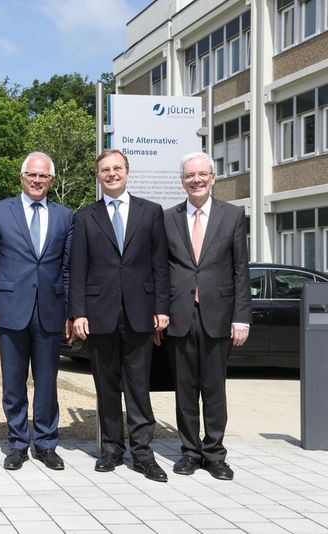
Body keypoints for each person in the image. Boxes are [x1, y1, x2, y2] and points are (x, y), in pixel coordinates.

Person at [69, 149, 170, 482]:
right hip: (99, 316)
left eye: (117, 168)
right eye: (105, 170)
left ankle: (142, 453)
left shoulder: (151, 212)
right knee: (107, 386)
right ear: (98, 176)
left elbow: (159, 264)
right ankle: (111, 449)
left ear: (127, 172)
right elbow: (78, 269)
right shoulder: (85, 217)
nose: (111, 174)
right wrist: (78, 312)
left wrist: (161, 308)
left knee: (138, 387)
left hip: (140, 314)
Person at [0, 152, 73, 471]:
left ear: (52, 181)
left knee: (47, 382)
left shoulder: (64, 216)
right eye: (32, 174)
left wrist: (71, 313)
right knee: (14, 382)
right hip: (10, 310)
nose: (37, 180)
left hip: (50, 311)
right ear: (22, 177)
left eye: (43, 176)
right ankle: (17, 442)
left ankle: (45, 443)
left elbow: (68, 269)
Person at [164, 152, 250, 481]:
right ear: (182, 180)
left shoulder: (232, 215)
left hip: (219, 316)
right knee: (185, 389)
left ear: (213, 178)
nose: (196, 180)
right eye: (189, 176)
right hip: (180, 316)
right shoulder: (168, 218)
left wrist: (241, 317)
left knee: (214, 389)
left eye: (202, 174)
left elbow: (241, 270)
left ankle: (214, 454)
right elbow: (162, 269)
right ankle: (189, 452)